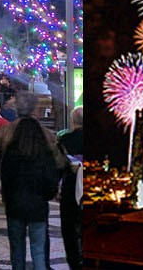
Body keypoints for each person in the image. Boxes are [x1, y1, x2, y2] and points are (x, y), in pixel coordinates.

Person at [0, 117, 64, 270]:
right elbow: (51, 180)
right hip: (38, 205)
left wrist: (7, 199)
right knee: (39, 250)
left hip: (15, 206)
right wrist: (47, 195)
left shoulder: (11, 152)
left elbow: (6, 179)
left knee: (17, 249)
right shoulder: (45, 153)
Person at [57, 107, 83, 265]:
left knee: (69, 230)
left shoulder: (65, 140)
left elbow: (58, 166)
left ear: (73, 121)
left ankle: (74, 262)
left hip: (69, 190)